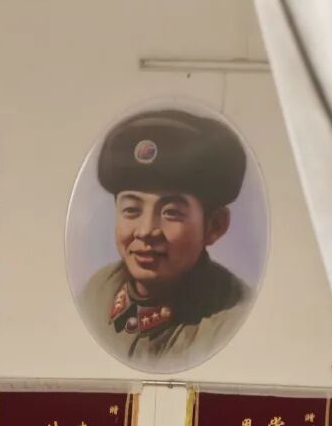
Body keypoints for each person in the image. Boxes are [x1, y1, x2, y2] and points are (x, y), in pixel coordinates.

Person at [78, 107, 253, 369]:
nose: (146, 230)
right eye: (132, 210)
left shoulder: (231, 320)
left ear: (214, 226)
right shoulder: (99, 291)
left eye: (171, 212)